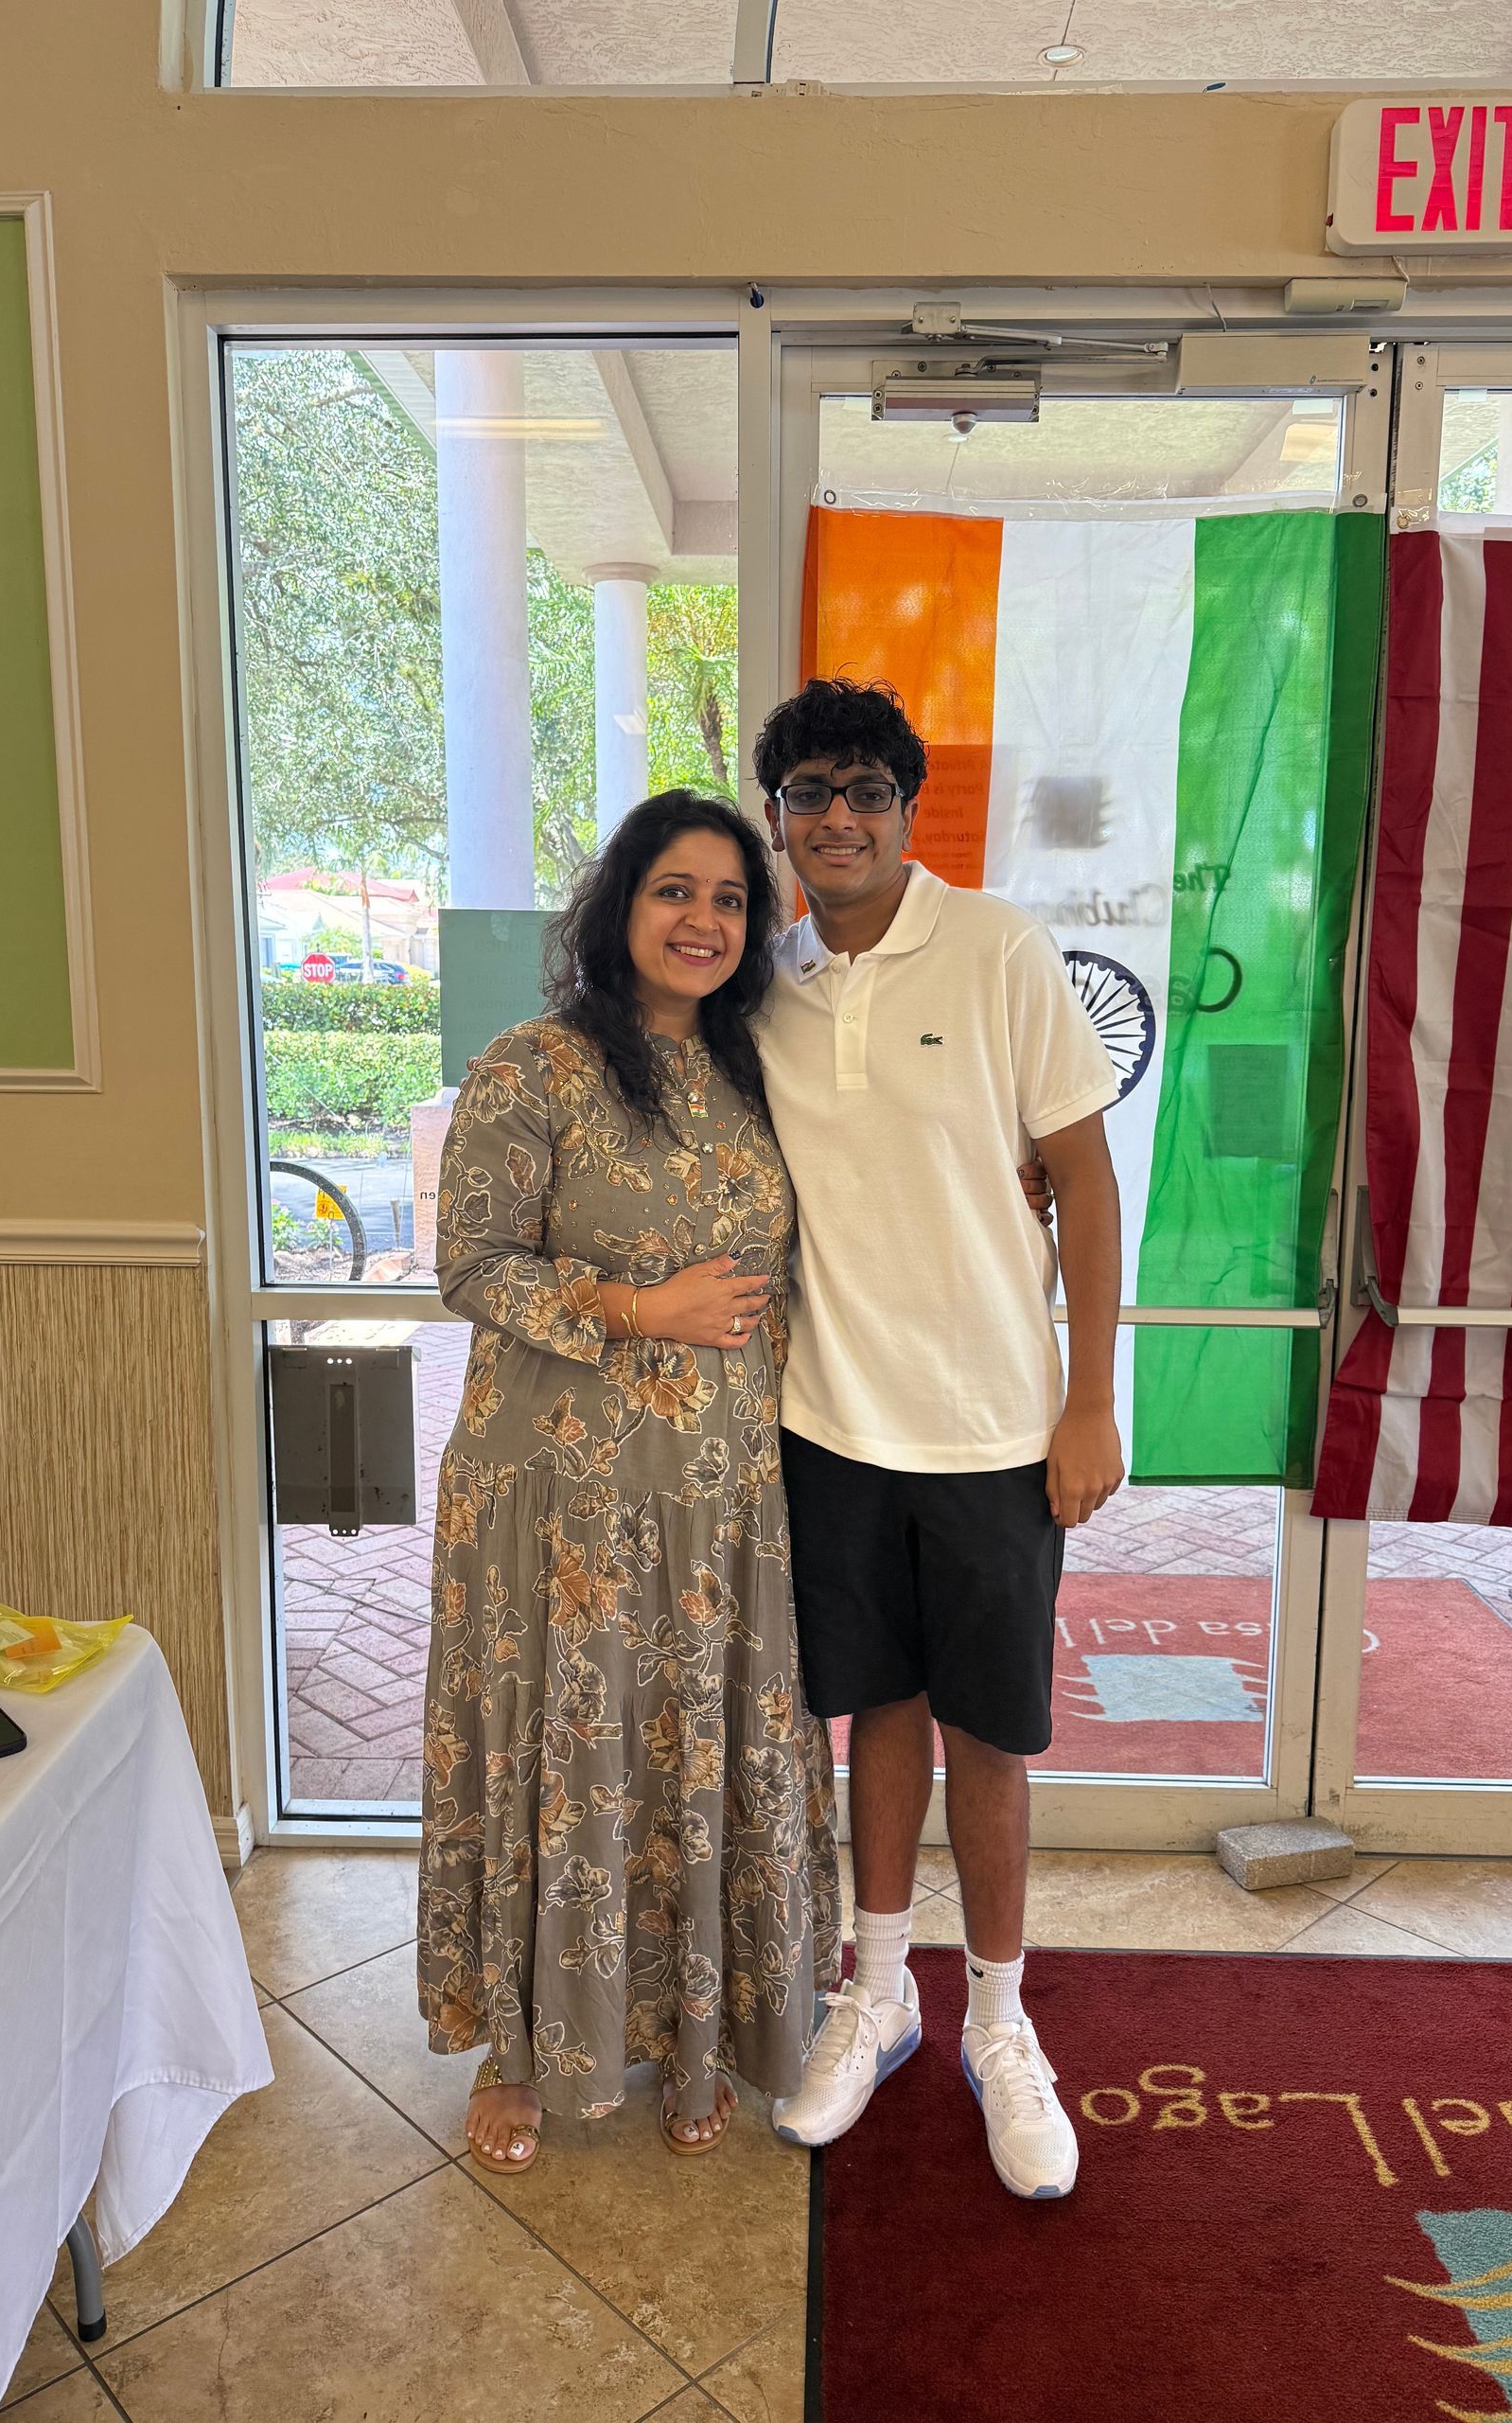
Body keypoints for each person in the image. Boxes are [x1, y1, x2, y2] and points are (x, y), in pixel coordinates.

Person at [419, 790, 839, 2172]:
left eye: (729, 898)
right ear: (621, 904)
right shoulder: (531, 1068)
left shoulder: (759, 1074)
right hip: (560, 1497)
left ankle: (694, 2033)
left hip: (719, 1497)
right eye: (676, 889)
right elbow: (470, 1264)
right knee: (563, 1757)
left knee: (686, 1757)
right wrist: (633, 1308)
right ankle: (520, 2053)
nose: (704, 920)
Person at [758, 677, 1125, 2202]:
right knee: (875, 1718)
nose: (838, 818)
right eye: (809, 794)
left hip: (990, 1431)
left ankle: (999, 2019)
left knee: (994, 1732)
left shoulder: (996, 951)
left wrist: (1090, 1398)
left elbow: (1086, 1187)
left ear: (909, 809)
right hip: (826, 1425)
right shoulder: (763, 982)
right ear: (779, 819)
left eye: (866, 790)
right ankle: (880, 1992)